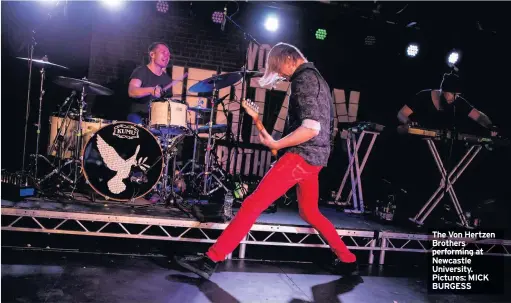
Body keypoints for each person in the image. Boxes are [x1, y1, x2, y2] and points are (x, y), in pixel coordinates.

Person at [174, 42, 358, 280]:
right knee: (310, 212)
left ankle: (211, 259)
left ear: (290, 58)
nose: (279, 73)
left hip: (301, 155)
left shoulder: (304, 80)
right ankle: (348, 259)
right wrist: (266, 131)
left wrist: (279, 145)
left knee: (252, 205)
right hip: (315, 158)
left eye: (279, 67)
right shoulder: (317, 78)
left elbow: (311, 127)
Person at [397, 72, 496, 134]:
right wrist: (408, 122)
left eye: (457, 94)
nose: (455, 97)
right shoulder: (423, 96)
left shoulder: (457, 101)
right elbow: (401, 114)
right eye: (452, 94)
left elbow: (478, 116)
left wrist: (490, 125)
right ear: (443, 91)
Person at [127, 42, 172, 124]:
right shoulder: (141, 71)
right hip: (138, 117)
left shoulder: (167, 80)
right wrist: (151, 90)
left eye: (168, 55)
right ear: (152, 55)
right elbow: (132, 91)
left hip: (156, 120)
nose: (167, 56)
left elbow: (168, 103)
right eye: (163, 52)